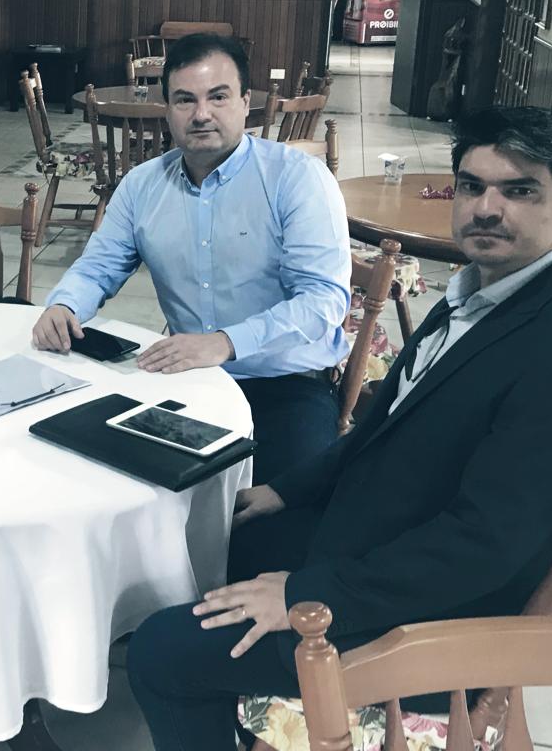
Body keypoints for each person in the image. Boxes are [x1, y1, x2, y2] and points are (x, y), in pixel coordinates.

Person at [126, 107, 552, 751]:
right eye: (472, 185)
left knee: (159, 651)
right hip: (386, 534)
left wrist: (304, 594)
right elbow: (383, 428)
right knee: (216, 543)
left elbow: (484, 549)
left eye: (520, 190)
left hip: (436, 621)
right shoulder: (483, 292)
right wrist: (287, 490)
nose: (486, 208)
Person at [32, 33, 351, 483]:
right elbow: (98, 267)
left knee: (282, 512)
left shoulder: (296, 179)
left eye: (218, 97)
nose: (201, 114)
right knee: (101, 475)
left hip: (287, 384)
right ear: (167, 110)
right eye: (185, 100)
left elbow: (323, 303)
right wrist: (65, 305)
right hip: (188, 379)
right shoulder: (142, 185)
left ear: (245, 103)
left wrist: (226, 342)